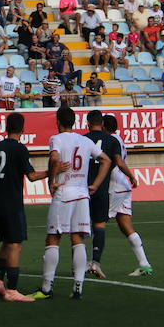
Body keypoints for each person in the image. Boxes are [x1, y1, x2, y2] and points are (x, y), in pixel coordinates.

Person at [30, 106, 111, 301]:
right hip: (82, 194)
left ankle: (47, 288)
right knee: (78, 239)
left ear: (58, 122)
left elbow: (55, 157)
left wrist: (52, 179)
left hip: (64, 192)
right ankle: (78, 287)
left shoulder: (56, 139)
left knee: (53, 239)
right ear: (74, 122)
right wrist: (96, 184)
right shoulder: (85, 140)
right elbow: (105, 160)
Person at [0, 112, 48, 302]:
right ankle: (12, 290)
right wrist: (53, 171)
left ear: (6, 127)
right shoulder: (20, 149)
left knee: (6, 243)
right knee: (15, 245)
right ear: (23, 129)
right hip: (13, 203)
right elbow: (32, 176)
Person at [83, 110, 136, 280]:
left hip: (82, 189)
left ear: (88, 122)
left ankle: (80, 265)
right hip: (101, 190)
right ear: (102, 123)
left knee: (80, 227)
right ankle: (96, 263)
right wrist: (132, 176)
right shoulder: (112, 140)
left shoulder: (82, 139)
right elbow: (119, 162)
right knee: (100, 225)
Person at [103, 114, 154, 277]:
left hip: (114, 187)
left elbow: (117, 162)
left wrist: (131, 175)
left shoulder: (110, 141)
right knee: (125, 225)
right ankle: (144, 264)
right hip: (123, 187)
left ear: (104, 126)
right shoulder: (119, 139)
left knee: (96, 222)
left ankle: (92, 262)